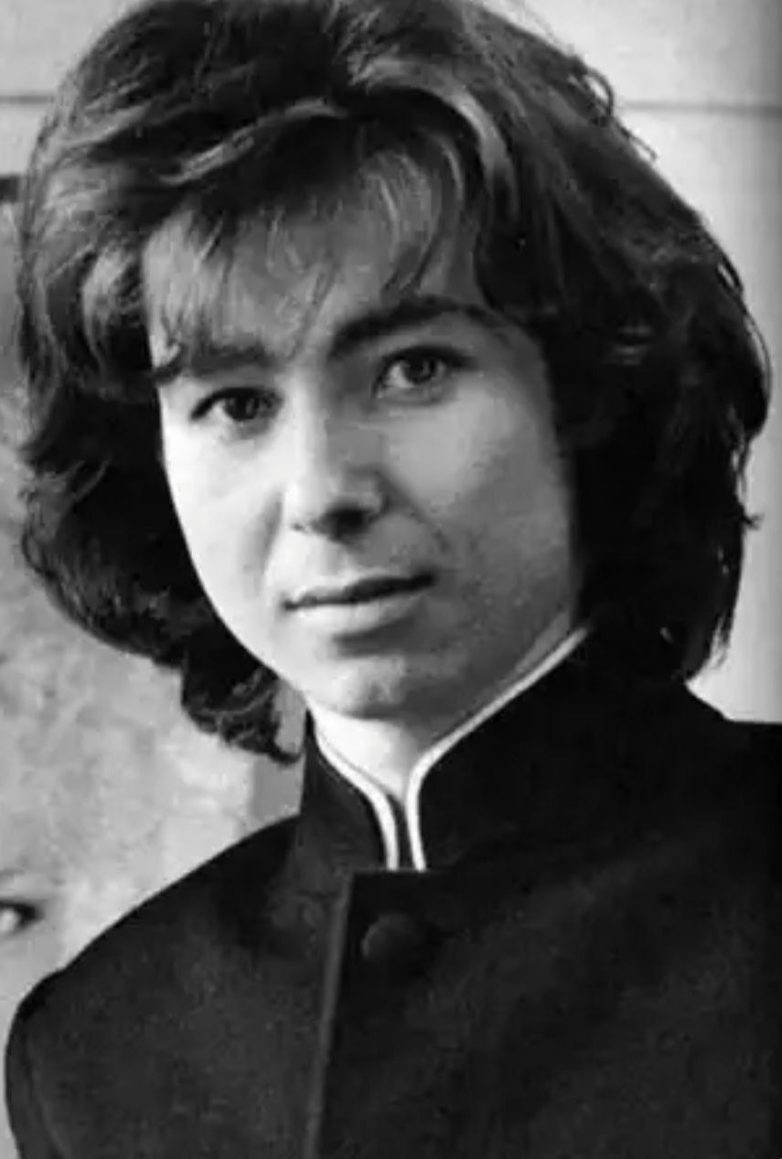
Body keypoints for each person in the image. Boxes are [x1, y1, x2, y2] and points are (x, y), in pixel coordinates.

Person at [4, 0, 780, 1154]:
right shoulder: (94, 1054)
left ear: (588, 398)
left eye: (413, 369)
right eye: (235, 403)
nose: (321, 489)